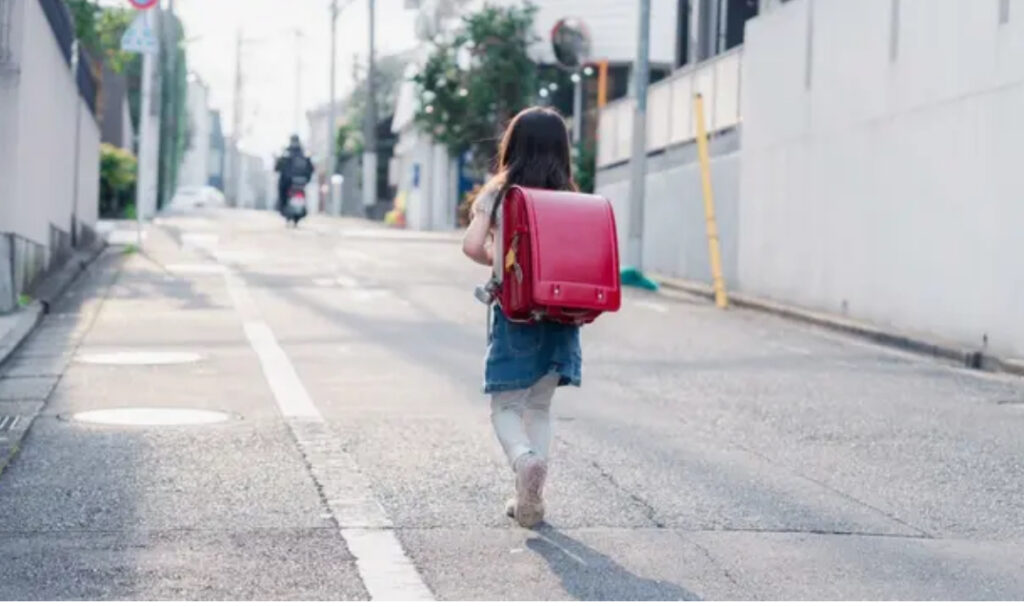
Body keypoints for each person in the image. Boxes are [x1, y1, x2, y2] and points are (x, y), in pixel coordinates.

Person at [461, 107, 582, 529]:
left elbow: (472, 246)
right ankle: (531, 497)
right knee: (541, 407)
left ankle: (524, 460)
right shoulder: (571, 198)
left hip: (516, 315)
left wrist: (500, 262)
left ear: (512, 145)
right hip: (563, 315)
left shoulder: (498, 193)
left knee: (506, 406)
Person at [274, 135, 314, 215]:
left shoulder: (286, 152)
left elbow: (278, 167)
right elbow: (311, 168)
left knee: (282, 190)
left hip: (288, 181)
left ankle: (282, 207)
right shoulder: (304, 153)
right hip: (302, 180)